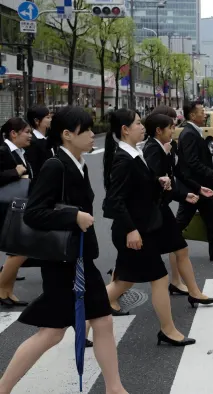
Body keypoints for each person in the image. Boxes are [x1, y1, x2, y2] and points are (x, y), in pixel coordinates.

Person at [0, 106, 127, 394]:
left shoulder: (77, 162)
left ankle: (114, 388)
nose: (94, 134)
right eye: (87, 130)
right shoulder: (55, 165)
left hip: (78, 259)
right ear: (67, 135)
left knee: (103, 321)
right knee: (52, 333)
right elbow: (34, 213)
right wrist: (73, 216)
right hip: (63, 263)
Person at [103, 108, 195, 346]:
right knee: (158, 278)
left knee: (124, 282)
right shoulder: (123, 159)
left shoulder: (134, 152)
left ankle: (79, 315)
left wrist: (158, 181)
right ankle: (168, 330)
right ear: (125, 130)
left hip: (140, 228)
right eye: (137, 123)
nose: (142, 126)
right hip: (134, 231)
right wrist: (131, 230)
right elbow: (116, 200)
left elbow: (137, 189)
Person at [142, 114, 213, 306]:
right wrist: (181, 194)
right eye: (170, 127)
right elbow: (155, 181)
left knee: (181, 249)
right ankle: (110, 295)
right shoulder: (152, 149)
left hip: (161, 209)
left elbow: (177, 173)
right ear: (159, 130)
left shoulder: (166, 147)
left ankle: (193, 291)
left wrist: (196, 189)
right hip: (152, 210)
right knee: (134, 261)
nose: (173, 131)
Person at [176, 101, 213, 261]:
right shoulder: (189, 133)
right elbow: (192, 162)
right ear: (192, 115)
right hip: (194, 187)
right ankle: (158, 246)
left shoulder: (194, 131)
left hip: (202, 187)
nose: (205, 114)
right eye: (202, 112)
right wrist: (212, 173)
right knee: (180, 223)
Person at [0, 118, 33, 306]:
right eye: (26, 132)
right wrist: (16, 172)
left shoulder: (20, 152)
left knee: (17, 249)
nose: (30, 136)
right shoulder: (3, 150)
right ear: (14, 133)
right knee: (19, 250)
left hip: (16, 207)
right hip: (5, 207)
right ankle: (1, 288)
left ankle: (7, 291)